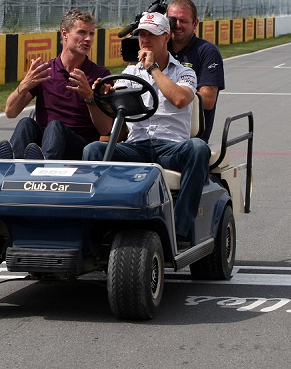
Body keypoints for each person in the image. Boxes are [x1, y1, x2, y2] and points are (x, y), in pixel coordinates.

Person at [83, 12, 210, 246]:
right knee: (94, 150)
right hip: (137, 146)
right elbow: (115, 112)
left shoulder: (184, 72)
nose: (144, 40)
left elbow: (181, 99)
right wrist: (104, 96)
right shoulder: (130, 73)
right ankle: (101, 226)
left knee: (199, 148)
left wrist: (153, 69)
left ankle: (179, 230)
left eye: (151, 35)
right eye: (141, 34)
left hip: (172, 148)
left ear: (166, 37)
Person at [0, 9, 112, 160]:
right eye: (82, 32)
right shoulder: (44, 71)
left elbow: (106, 129)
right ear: (64, 33)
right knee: (26, 123)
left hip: (78, 148)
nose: (88, 39)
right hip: (44, 143)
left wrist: (89, 97)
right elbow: (10, 112)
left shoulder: (99, 75)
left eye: (91, 34)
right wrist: (23, 86)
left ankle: (45, 166)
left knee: (56, 126)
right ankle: (12, 165)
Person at [166, 0, 225, 142]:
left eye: (183, 21)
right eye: (173, 21)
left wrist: (173, 95)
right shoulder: (159, 48)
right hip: (152, 132)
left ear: (195, 23)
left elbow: (208, 99)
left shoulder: (207, 51)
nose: (177, 25)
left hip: (189, 136)